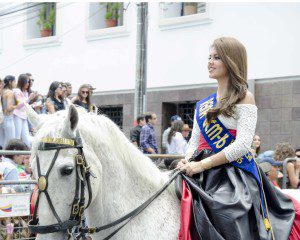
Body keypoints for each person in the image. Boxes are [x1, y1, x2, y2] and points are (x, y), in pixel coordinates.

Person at [176, 37, 299, 240]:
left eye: (217, 57)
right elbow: (194, 142)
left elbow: (242, 145)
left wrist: (201, 165)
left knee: (229, 212)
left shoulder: (245, 98)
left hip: (234, 174)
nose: (210, 62)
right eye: (209, 57)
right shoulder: (202, 105)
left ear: (231, 61)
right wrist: (188, 160)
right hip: (199, 169)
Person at [13, 74, 36, 147]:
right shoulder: (16, 91)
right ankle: (13, 153)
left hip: (24, 116)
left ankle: (27, 155)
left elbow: (25, 105)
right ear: (22, 82)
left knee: (26, 137)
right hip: (17, 115)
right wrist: (29, 98)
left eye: (29, 82)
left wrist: (32, 104)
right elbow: (19, 105)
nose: (28, 84)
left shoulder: (25, 92)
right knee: (16, 136)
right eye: (27, 82)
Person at [0, 76, 18, 147]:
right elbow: (9, 108)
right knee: (10, 144)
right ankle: (6, 158)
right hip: (8, 119)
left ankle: (2, 158)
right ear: (10, 82)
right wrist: (19, 105)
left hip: (2, 119)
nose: (15, 83)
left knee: (1, 143)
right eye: (14, 81)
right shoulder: (10, 92)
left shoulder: (2, 92)